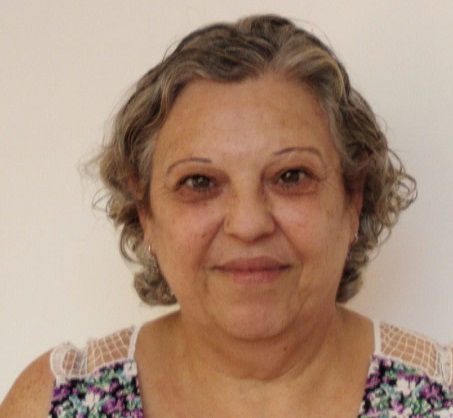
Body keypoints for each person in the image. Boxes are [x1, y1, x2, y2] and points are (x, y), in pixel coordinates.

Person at [1, 14, 451, 417]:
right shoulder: (53, 405)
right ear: (146, 214)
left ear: (353, 199)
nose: (249, 224)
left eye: (291, 176)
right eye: (199, 182)